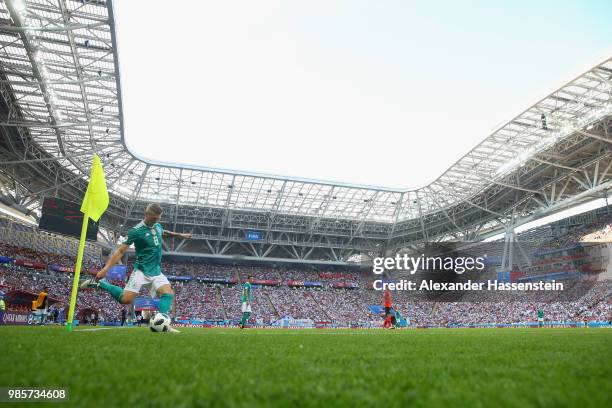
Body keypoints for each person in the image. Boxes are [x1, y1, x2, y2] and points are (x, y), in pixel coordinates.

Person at [80, 203, 191, 333]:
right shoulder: (136, 231)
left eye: (158, 219)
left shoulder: (158, 226)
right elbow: (121, 251)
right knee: (125, 300)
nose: (156, 221)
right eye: (154, 218)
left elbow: (163, 232)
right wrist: (106, 269)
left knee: (168, 293)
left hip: (156, 271)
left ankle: (164, 325)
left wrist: (180, 235)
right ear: (146, 214)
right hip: (141, 270)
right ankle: (101, 284)